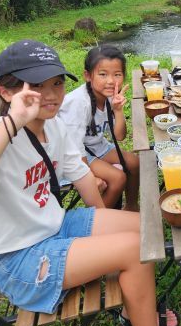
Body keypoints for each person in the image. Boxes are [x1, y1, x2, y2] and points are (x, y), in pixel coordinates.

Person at [0, 40, 179, 326]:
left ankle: (134, 310)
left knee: (145, 226)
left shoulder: (54, 126)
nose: (52, 94)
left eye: (56, 83)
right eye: (37, 86)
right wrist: (12, 122)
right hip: (17, 258)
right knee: (132, 249)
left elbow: (83, 177)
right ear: (5, 92)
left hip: (53, 227)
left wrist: (103, 222)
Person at [58, 45, 140, 211]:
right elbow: (74, 148)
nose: (111, 81)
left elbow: (119, 137)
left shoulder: (109, 96)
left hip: (95, 147)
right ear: (88, 75)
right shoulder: (79, 103)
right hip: (70, 155)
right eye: (103, 74)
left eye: (117, 74)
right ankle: (99, 222)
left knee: (134, 162)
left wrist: (118, 111)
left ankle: (131, 207)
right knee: (118, 178)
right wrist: (88, 177)